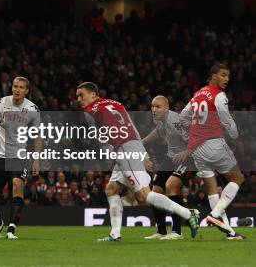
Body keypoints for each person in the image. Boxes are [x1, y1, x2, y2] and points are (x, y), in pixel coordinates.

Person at [75, 82, 199, 242]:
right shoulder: (115, 103)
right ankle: (115, 234)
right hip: (131, 146)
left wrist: (108, 154)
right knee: (111, 189)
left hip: (124, 150)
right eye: (77, 96)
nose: (78, 99)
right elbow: (132, 128)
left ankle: (188, 214)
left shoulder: (89, 111)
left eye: (81, 95)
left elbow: (100, 137)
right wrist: (143, 153)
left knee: (143, 195)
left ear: (93, 94)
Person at [175, 63, 245, 240]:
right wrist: (236, 136)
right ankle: (214, 216)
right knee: (237, 178)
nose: (226, 79)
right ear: (213, 75)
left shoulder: (197, 94)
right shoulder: (219, 96)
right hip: (213, 143)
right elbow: (226, 120)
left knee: (212, 189)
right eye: (222, 75)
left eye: (228, 76)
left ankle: (228, 232)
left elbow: (182, 117)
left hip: (197, 148)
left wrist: (190, 136)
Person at [0, 76, 41, 239]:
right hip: (0, 156)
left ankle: (12, 228)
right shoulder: (1, 103)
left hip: (19, 157)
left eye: (21, 87)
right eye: (15, 86)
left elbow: (38, 136)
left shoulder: (32, 109)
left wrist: (36, 159)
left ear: (27, 91)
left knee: (17, 185)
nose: (17, 90)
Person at [141, 95, 194, 240]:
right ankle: (161, 231)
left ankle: (177, 232)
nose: (154, 109)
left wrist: (185, 152)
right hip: (171, 157)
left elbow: (194, 140)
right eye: (152, 106)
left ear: (167, 108)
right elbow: (158, 133)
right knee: (155, 191)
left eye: (158, 107)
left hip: (188, 158)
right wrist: (141, 142)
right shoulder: (160, 121)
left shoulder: (175, 121)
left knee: (171, 186)